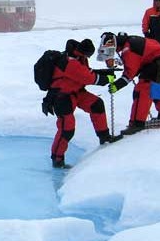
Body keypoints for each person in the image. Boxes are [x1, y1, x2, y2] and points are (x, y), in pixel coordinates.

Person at [47, 38, 119, 169]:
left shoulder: (80, 57)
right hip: (61, 97)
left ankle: (105, 138)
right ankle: (57, 160)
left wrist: (105, 73)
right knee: (67, 129)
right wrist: (106, 78)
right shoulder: (69, 62)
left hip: (77, 92)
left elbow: (88, 71)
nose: (89, 57)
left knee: (96, 104)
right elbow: (89, 78)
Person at [98, 31, 160, 135]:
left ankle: (137, 123)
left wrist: (117, 85)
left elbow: (130, 73)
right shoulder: (129, 42)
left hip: (157, 64)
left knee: (142, 90)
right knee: (156, 89)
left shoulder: (128, 49)